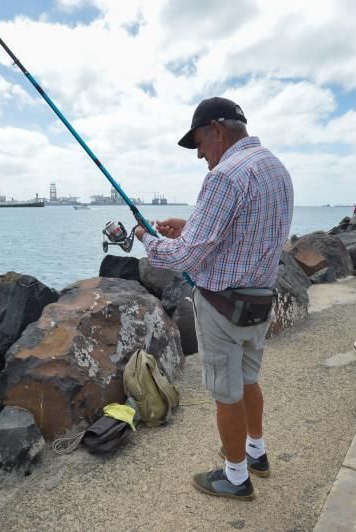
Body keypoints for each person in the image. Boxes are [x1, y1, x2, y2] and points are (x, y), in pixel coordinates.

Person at [135, 97, 293, 501]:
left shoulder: (225, 176)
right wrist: (191, 227)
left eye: (200, 143)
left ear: (217, 130)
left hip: (223, 308)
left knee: (227, 392)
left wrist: (147, 241)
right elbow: (250, 232)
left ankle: (236, 477)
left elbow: (186, 256)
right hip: (259, 303)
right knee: (249, 380)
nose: (201, 155)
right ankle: (256, 453)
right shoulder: (276, 168)